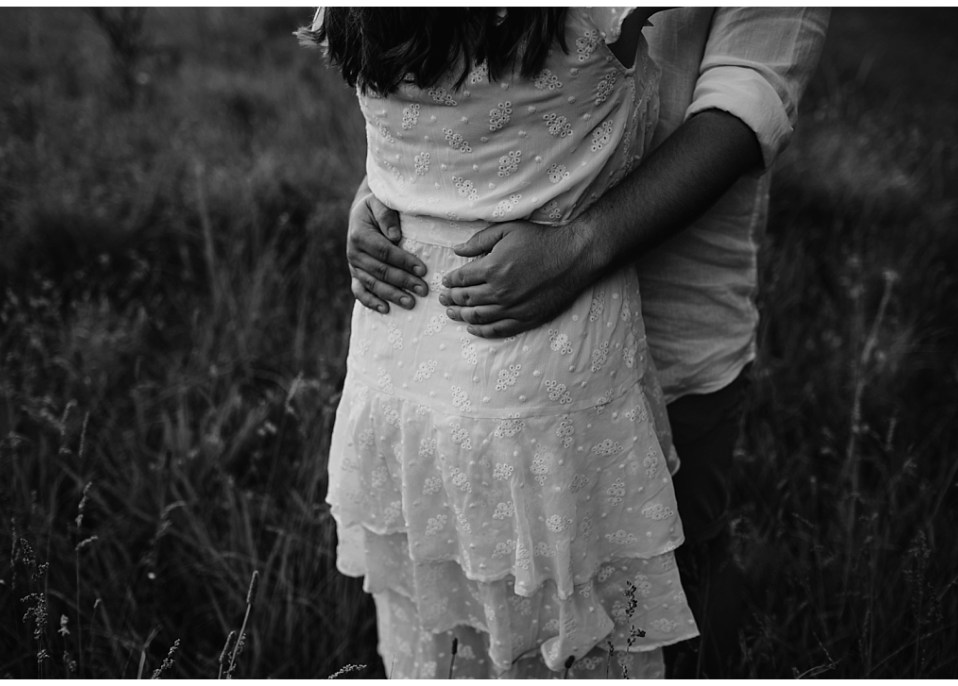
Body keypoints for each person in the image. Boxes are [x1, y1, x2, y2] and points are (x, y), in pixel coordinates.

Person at [344, 8, 830, 677]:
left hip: (671, 299)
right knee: (471, 589)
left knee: (675, 565)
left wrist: (583, 246)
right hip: (453, 345)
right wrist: (385, 191)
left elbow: (750, 96)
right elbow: (431, 70)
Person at [301, 7, 701, 679]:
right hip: (540, 381)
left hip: (401, 368)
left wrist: (376, 189)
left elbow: (431, 135)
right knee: (581, 640)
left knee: (444, 639)